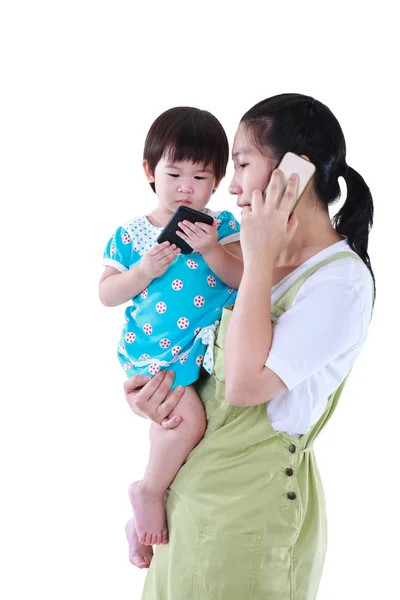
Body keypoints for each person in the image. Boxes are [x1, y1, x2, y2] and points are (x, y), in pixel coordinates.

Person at [122, 93, 375, 599]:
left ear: (293, 173)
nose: (230, 186)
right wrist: (156, 400)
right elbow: (209, 376)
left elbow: (242, 387)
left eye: (241, 164)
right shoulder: (253, 263)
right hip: (192, 497)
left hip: (246, 515)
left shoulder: (338, 282)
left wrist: (258, 260)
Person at [99, 107, 242, 553]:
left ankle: (139, 532)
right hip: (157, 350)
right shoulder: (131, 235)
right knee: (184, 422)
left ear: (217, 181)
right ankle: (147, 491)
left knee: (179, 436)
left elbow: (243, 279)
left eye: (200, 178)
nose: (185, 187)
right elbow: (107, 293)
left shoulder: (224, 226)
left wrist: (213, 249)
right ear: (149, 170)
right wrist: (142, 270)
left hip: (201, 350)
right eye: (174, 173)